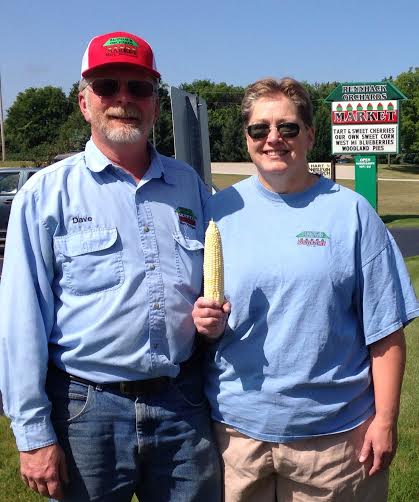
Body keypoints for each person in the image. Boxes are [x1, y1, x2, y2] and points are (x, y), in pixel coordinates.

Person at [0, 31, 220, 502]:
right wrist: (34, 433)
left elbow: (228, 281)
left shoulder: (191, 189)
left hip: (181, 402)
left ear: (155, 104)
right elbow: (21, 322)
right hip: (85, 409)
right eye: (107, 86)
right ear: (84, 102)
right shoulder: (45, 194)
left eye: (139, 88)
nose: (124, 98)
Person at [192, 77, 419, 502]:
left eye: (288, 127)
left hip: (335, 441)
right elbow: (200, 317)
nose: (273, 138)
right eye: (259, 129)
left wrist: (385, 419)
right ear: (246, 138)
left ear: (310, 135)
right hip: (236, 436)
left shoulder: (351, 213)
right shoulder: (219, 212)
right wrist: (206, 324)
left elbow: (386, 329)